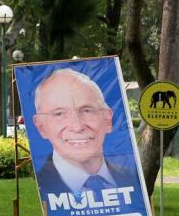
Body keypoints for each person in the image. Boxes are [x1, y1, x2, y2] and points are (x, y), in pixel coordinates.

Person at [31, 68, 139, 197]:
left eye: (87, 110)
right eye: (59, 114)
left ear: (107, 120)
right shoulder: (43, 186)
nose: (77, 127)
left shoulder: (133, 181)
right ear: (41, 127)